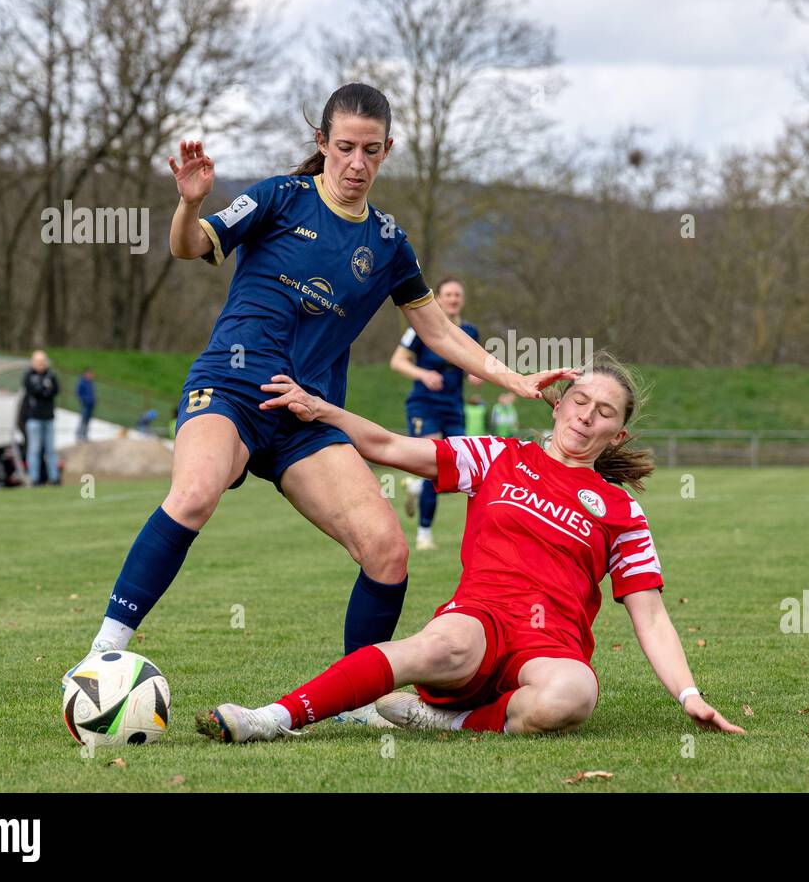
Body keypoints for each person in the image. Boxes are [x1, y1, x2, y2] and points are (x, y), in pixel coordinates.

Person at [65, 84, 574, 709]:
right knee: (195, 494)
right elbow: (190, 245)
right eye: (344, 148)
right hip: (230, 386)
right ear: (321, 144)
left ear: (388, 151)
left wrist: (516, 379)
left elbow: (435, 329)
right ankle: (103, 653)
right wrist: (188, 204)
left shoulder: (388, 242)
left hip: (306, 414)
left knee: (387, 551)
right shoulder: (280, 197)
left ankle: (355, 699)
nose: (356, 163)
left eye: (370, 150)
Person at [197, 354, 745, 742]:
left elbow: (650, 616)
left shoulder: (622, 512)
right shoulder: (496, 457)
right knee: (437, 646)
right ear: (557, 406)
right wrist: (321, 410)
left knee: (573, 695)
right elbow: (391, 446)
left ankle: (454, 722)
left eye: (605, 412)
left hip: (551, 647)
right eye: (580, 400)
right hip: (480, 620)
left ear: (618, 435)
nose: (586, 415)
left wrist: (688, 694)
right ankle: (270, 718)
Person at [390, 276, 484, 550]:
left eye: (458, 295)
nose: (453, 299)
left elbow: (472, 363)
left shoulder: (470, 331)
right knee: (435, 464)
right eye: (448, 294)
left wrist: (474, 375)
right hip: (424, 404)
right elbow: (397, 361)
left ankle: (417, 487)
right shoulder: (420, 328)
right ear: (438, 299)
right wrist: (423, 373)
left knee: (460, 466)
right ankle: (424, 534)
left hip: (454, 407)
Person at [22, 350, 60, 485]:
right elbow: (34, 391)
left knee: (50, 450)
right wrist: (44, 390)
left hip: (48, 417)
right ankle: (34, 479)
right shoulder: (28, 376)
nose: (41, 364)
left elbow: (54, 391)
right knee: (34, 449)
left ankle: (54, 478)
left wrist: (44, 390)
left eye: (42, 361)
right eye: (38, 362)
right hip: (34, 418)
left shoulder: (51, 375)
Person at [76, 368, 96, 442]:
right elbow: (79, 392)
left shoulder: (91, 383)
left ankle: (85, 435)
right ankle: (80, 435)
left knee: (88, 421)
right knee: (83, 420)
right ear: (86, 374)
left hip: (91, 405)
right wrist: (83, 400)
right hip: (85, 405)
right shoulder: (82, 382)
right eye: (90, 374)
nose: (91, 375)